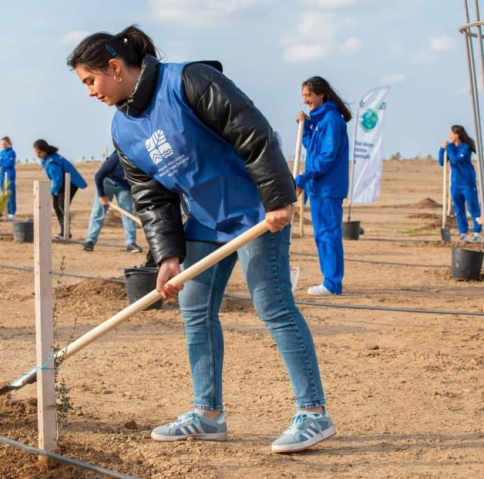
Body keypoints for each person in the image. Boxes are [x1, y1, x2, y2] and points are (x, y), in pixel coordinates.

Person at [68, 25, 334, 453]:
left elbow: (252, 130)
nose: (89, 92)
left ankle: (313, 413)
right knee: (195, 309)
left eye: (90, 80)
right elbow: (152, 197)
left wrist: (278, 197)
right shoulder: (123, 130)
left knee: (274, 306)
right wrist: (168, 255)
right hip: (205, 222)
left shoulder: (189, 80)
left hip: (255, 213)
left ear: (114, 67)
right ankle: (208, 415)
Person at [295, 77, 351, 296]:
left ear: (321, 94)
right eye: (303, 96)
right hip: (318, 187)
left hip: (328, 188)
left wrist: (302, 178)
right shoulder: (320, 121)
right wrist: (306, 127)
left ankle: (332, 283)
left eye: (308, 95)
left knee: (328, 234)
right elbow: (313, 150)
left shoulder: (331, 120)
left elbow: (327, 158)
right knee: (322, 235)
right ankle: (329, 279)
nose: (305, 100)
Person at [82, 150, 143, 253]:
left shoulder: (141, 164)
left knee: (128, 212)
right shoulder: (117, 158)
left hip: (124, 187)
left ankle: (131, 243)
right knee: (99, 212)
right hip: (107, 182)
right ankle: (90, 241)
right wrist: (101, 195)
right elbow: (98, 176)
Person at [33, 139, 87, 240]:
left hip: (69, 183)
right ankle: (63, 232)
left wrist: (51, 192)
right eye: (35, 152)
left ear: (45, 151)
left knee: (62, 206)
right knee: (56, 206)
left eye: (39, 152)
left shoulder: (52, 161)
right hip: (61, 183)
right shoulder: (46, 159)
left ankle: (66, 233)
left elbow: (58, 180)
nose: (37, 154)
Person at [439, 125, 481, 242]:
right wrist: (442, 149)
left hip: (468, 183)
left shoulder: (465, 147)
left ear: (457, 135)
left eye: (451, 133)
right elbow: (442, 162)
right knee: (459, 209)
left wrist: (449, 149)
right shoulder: (450, 147)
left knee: (473, 208)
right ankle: (463, 233)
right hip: (455, 184)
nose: (449, 135)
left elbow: (455, 159)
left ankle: (477, 232)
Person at [0, 136, 17, 219]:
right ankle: (6, 212)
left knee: (10, 193)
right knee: (4, 193)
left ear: (8, 143)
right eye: (2, 144)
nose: (3, 145)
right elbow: (0, 163)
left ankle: (12, 213)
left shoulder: (12, 153)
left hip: (9, 174)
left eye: (5, 143)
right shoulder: (1, 153)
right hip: (2, 173)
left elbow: (9, 164)